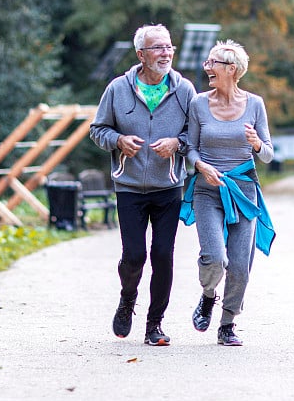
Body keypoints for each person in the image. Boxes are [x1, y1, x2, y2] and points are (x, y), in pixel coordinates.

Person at [89, 24, 195, 346]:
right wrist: (118, 140)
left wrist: (177, 143)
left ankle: (155, 324)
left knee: (163, 254)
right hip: (130, 187)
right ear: (141, 55)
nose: (165, 53)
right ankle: (127, 299)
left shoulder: (184, 90)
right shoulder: (118, 89)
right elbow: (97, 129)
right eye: (157, 48)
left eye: (168, 47)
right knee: (134, 256)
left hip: (168, 187)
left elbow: (196, 134)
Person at [180, 39, 275, 346]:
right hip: (208, 190)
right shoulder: (198, 104)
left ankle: (227, 323)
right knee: (214, 258)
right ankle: (208, 296)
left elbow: (269, 154)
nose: (207, 67)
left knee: (239, 266)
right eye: (207, 62)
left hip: (244, 192)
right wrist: (200, 166)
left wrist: (257, 144)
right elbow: (190, 148)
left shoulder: (255, 104)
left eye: (213, 63)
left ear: (232, 70)